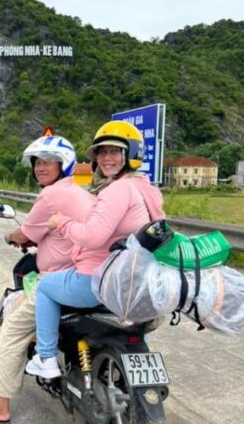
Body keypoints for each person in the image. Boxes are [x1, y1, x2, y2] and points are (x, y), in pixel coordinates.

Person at [0, 134, 96, 424]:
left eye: (48, 162)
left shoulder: (50, 195)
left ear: (64, 164)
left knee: (12, 327)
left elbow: (25, 234)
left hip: (60, 279)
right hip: (90, 273)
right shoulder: (81, 193)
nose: (40, 167)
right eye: (37, 162)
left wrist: (10, 237)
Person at [26, 120, 165, 379]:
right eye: (101, 152)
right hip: (138, 281)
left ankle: (45, 357)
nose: (106, 158)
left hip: (102, 280)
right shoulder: (147, 188)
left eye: (114, 151)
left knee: (45, 287)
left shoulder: (119, 189)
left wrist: (62, 223)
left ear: (130, 154)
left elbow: (92, 236)